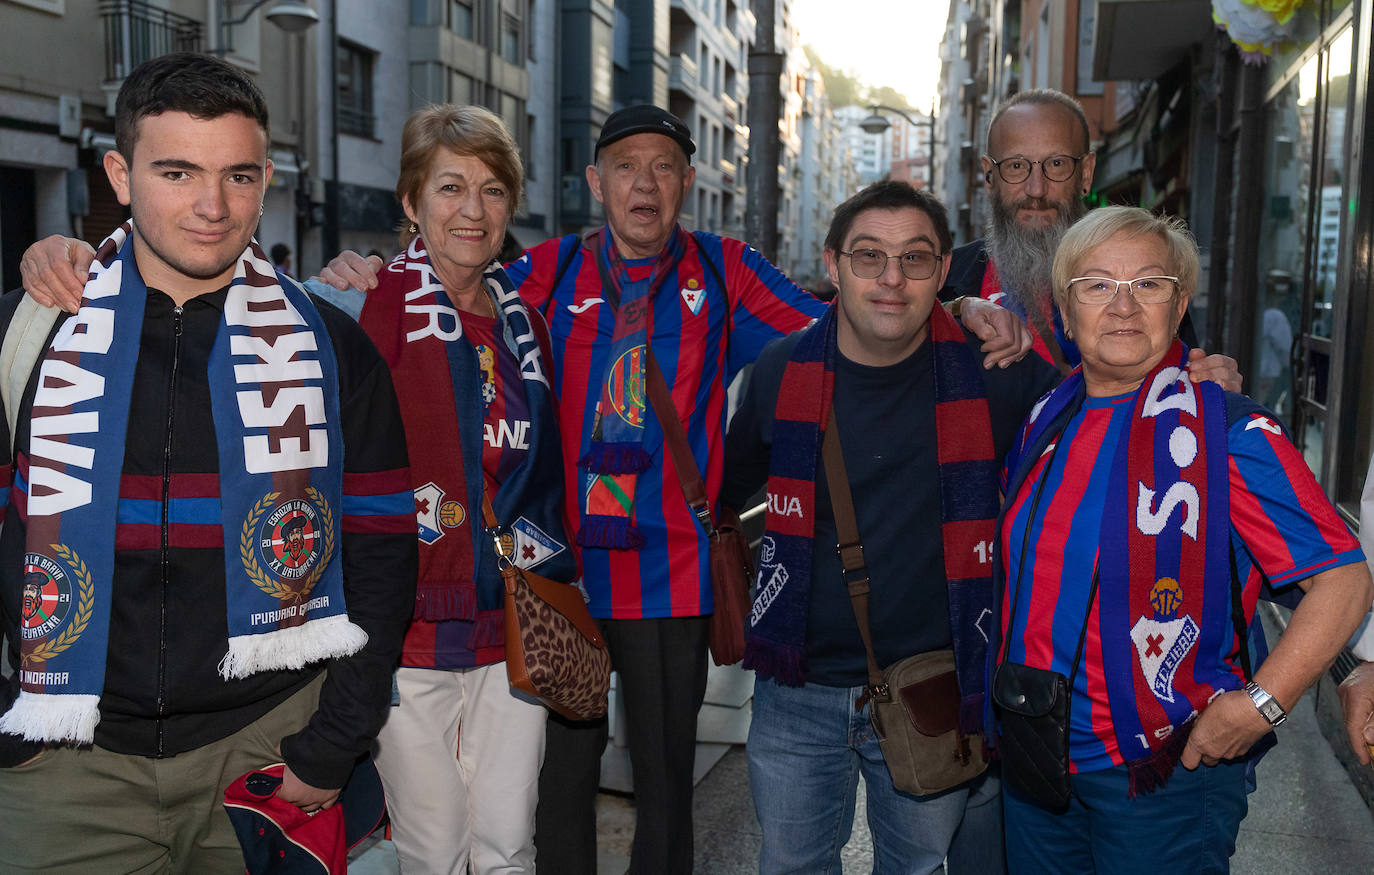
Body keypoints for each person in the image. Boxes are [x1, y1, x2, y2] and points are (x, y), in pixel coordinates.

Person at [18, 104, 1034, 875]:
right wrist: (68, 254)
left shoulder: (722, 270)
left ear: (686, 183)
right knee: (557, 786)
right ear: (594, 182)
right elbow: (351, 301)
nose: (645, 187)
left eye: (665, 170)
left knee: (661, 781)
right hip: (553, 582)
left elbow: (851, 320)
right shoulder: (537, 276)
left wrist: (962, 310)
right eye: (626, 169)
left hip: (668, 575)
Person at [0, 53, 417, 872]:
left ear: (266, 180)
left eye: (238, 175)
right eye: (177, 170)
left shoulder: (332, 347)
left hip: (262, 755)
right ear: (120, 173)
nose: (211, 205)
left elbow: (381, 546)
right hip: (60, 763)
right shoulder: (27, 331)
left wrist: (329, 746)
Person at [993, 206, 1371, 873]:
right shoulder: (1047, 419)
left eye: (1149, 284)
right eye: (1097, 285)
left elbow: (1343, 580)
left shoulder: (1225, 432)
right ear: (1065, 306)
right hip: (1038, 760)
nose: (1123, 305)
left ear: (1180, 303)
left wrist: (1259, 706)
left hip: (1164, 771)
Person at [724, 180, 1062, 873]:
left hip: (934, 687)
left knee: (916, 868)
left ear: (941, 271)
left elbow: (1109, 408)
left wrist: (1201, 377)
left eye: (914, 259)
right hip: (796, 690)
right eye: (869, 255)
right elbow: (725, 491)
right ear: (833, 263)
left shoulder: (995, 373)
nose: (889, 278)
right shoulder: (780, 373)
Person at [357, 103, 575, 874]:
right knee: (433, 846)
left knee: (510, 841)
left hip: (513, 622)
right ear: (412, 203)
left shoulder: (528, 323)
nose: (473, 211)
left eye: (491, 189)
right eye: (450, 188)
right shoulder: (371, 306)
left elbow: (547, 468)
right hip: (407, 626)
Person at [942, 89, 1202, 373]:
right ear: (989, 177)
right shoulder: (944, 279)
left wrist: (1210, 387)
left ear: (1086, 174)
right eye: (1016, 166)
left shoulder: (1145, 284)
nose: (1036, 189)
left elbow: (1180, 378)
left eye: (1056, 164)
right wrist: (954, 309)